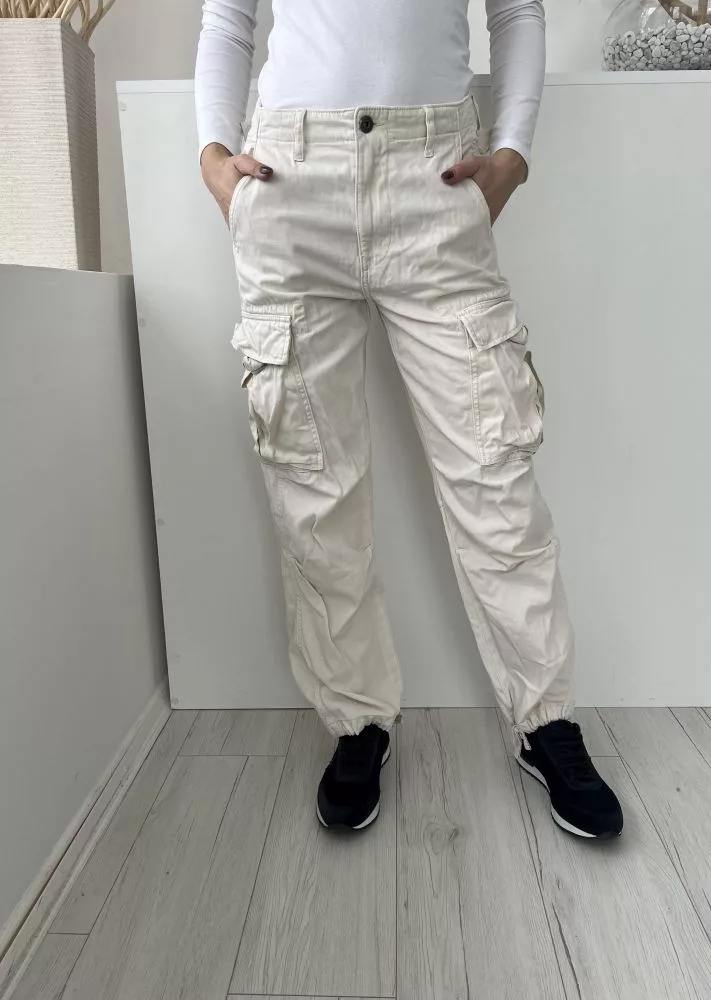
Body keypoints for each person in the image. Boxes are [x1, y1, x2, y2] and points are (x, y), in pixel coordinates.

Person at [195, 0, 623, 839]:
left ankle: (546, 721)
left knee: (494, 472)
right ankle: (358, 722)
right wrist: (213, 156)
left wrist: (513, 154)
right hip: (288, 180)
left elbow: (517, 10)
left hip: (434, 176)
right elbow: (227, 19)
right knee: (314, 490)